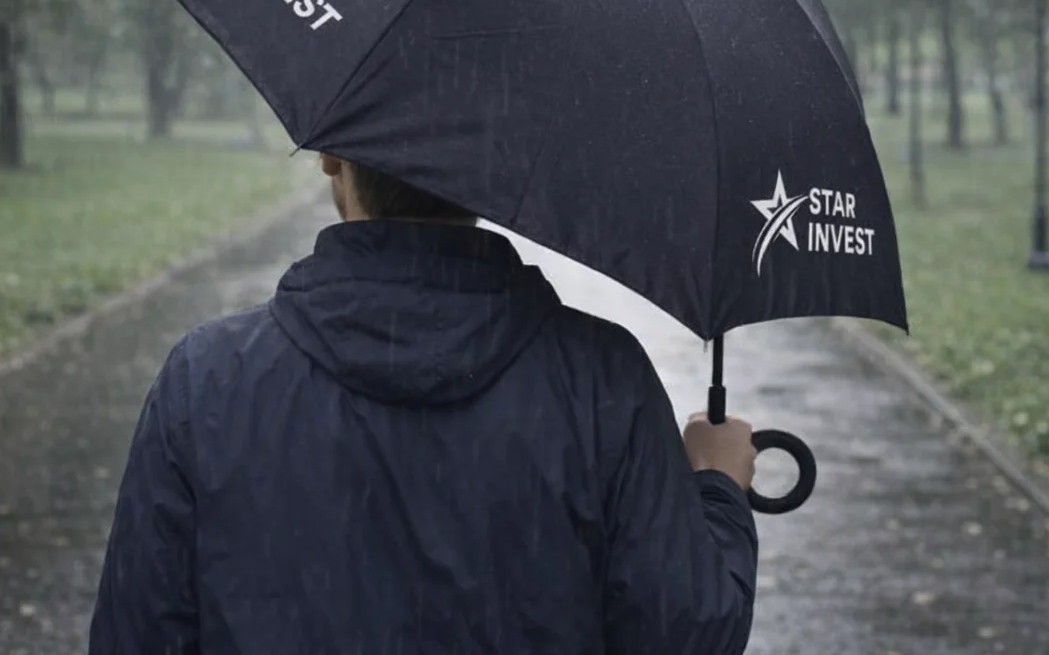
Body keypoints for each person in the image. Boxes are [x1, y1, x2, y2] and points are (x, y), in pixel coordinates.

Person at [90, 155, 760, 654]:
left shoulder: (206, 378)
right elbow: (681, 635)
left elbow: (137, 634)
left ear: (329, 157)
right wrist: (717, 488)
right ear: (492, 169)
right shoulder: (601, 379)